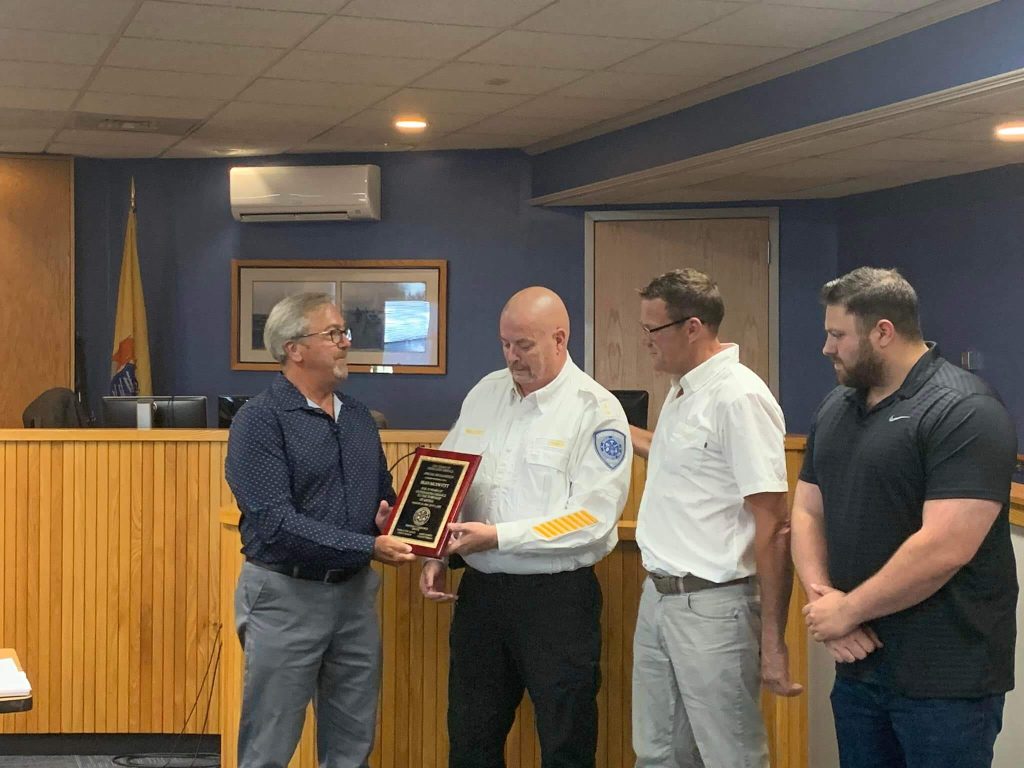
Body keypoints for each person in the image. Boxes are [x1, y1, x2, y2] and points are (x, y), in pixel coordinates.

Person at [793, 267, 1018, 768]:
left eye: (837, 335)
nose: (827, 348)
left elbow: (944, 548)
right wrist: (822, 597)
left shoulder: (965, 409)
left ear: (883, 332)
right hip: (860, 668)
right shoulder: (837, 406)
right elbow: (807, 509)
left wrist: (848, 611)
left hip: (946, 680)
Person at [421, 286, 632, 768]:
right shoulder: (485, 392)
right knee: (470, 736)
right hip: (482, 597)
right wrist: (432, 548)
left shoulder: (595, 410)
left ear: (560, 340)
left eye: (525, 346)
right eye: (505, 344)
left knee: (565, 740)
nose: (512, 357)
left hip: (556, 600)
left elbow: (593, 521)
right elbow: (450, 479)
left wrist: (498, 536)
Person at [225, 292, 416, 768]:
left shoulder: (357, 419)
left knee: (352, 744)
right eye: (333, 334)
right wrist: (369, 544)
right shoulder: (259, 420)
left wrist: (394, 517)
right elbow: (277, 524)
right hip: (285, 595)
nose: (345, 343)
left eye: (344, 333)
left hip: (354, 599)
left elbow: (381, 492)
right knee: (270, 745)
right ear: (294, 348)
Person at [629, 268, 801, 768]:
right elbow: (675, 457)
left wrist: (773, 638)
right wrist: (604, 415)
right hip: (658, 598)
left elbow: (774, 521)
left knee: (730, 756)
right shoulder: (685, 391)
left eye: (652, 330)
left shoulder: (739, 397)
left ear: (693, 327)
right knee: (658, 752)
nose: (645, 342)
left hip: (714, 606)